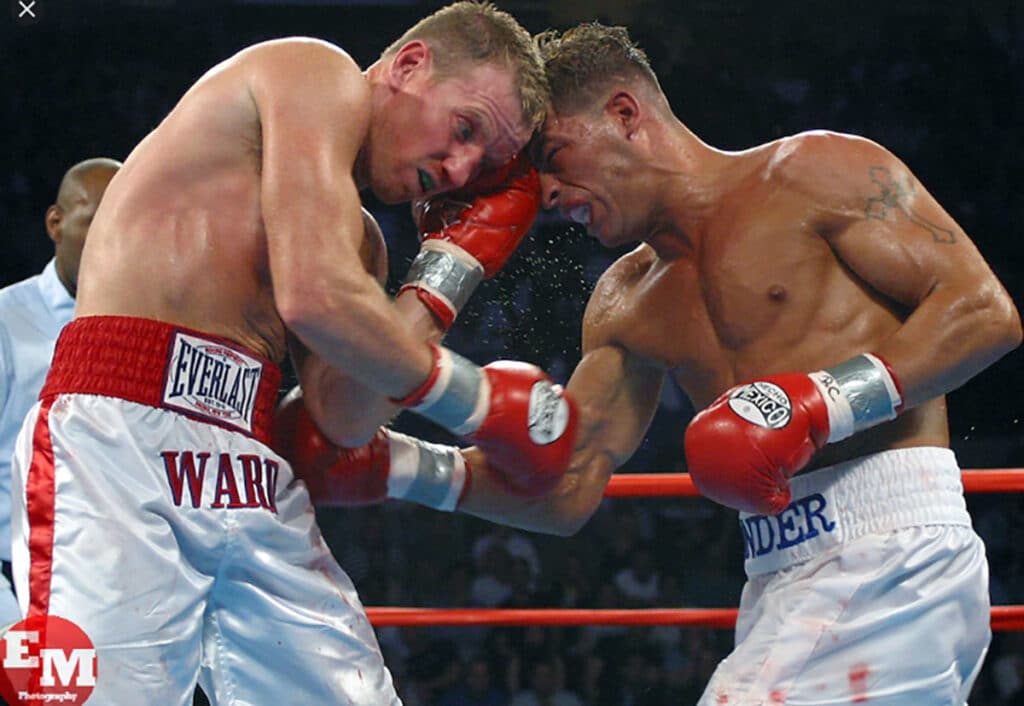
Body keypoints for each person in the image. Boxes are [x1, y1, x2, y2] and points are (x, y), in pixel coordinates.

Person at [288, 21, 1022, 705]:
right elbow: (566, 486)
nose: (542, 193)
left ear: (624, 114)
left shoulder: (814, 172)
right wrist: (398, 466)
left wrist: (823, 403)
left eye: (550, 159)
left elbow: (984, 312)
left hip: (894, 549)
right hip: (780, 578)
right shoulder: (625, 301)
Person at [8, 3, 578, 704]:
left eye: (482, 165)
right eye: (464, 129)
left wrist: (450, 266)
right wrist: (480, 403)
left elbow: (342, 416)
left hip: (249, 470)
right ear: (409, 65)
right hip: (118, 440)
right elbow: (314, 296)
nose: (460, 170)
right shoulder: (315, 72)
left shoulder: (361, 244)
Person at [0, 157, 120, 628]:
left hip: (110, 577)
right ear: (57, 222)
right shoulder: (8, 320)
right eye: (98, 223)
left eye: (125, 224)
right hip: (16, 575)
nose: (114, 241)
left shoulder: (144, 330)